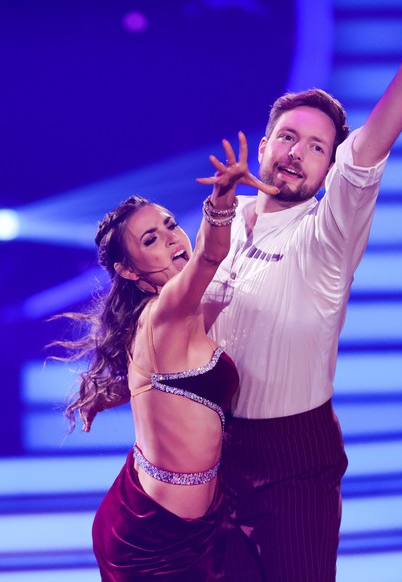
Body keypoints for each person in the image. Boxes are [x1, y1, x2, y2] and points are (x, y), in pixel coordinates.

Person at [201, 1, 402, 580]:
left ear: (330, 167)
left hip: (295, 458)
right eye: (287, 137)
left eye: (316, 147)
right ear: (263, 144)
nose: (296, 153)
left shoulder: (329, 231)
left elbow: (367, 151)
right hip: (212, 448)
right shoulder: (224, 218)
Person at [52, 132, 278, 580]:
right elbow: (212, 255)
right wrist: (221, 200)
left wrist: (112, 390)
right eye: (151, 239)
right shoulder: (165, 313)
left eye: (171, 224)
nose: (173, 239)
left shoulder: (180, 313)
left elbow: (166, 381)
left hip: (197, 524)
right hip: (155, 540)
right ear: (128, 269)